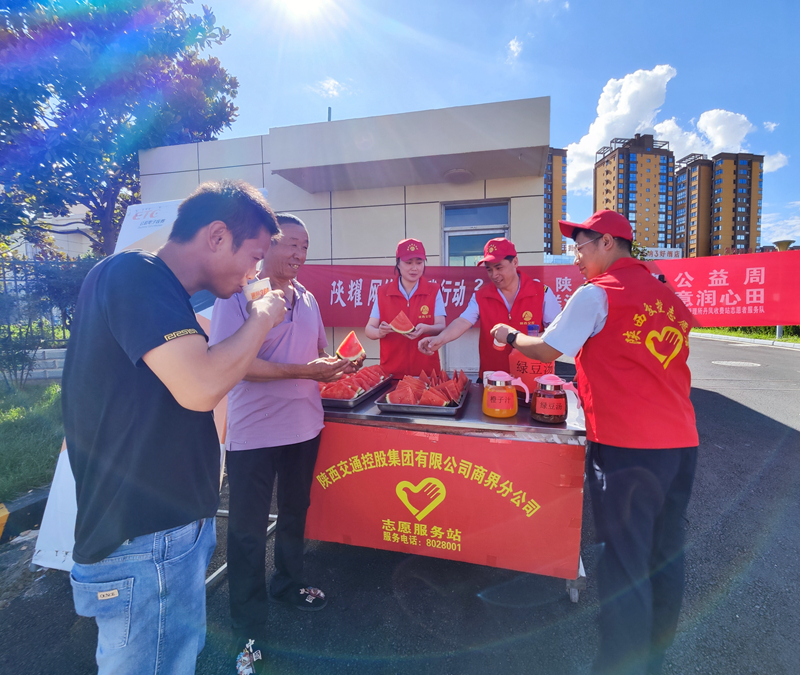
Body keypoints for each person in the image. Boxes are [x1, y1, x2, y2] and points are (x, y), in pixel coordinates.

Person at [62, 180, 287, 675]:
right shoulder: (136, 274)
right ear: (217, 235)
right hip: (146, 538)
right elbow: (200, 386)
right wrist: (261, 319)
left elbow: (194, 376)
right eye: (254, 257)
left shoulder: (156, 288)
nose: (255, 272)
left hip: (158, 534)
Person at [490, 210, 698, 675]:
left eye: (580, 247)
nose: (575, 258)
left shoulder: (598, 293)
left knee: (624, 562)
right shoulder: (667, 295)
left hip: (628, 447)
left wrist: (510, 335)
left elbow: (547, 348)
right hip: (681, 444)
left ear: (606, 243)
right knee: (664, 555)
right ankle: (654, 659)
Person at [209, 213, 355, 673]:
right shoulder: (238, 295)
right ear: (267, 245)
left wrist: (339, 363)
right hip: (254, 433)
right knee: (247, 532)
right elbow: (234, 363)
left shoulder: (308, 298)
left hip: (305, 426)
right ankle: (248, 629)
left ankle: (288, 585)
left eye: (305, 247)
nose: (299, 254)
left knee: (295, 513)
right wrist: (304, 371)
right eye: (291, 244)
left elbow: (316, 354)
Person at [418, 237, 560, 377]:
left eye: (499, 268)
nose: (494, 275)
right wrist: (440, 339)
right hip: (493, 379)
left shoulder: (542, 293)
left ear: (515, 262)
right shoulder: (481, 296)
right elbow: (462, 322)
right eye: (489, 269)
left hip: (533, 377)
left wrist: (527, 340)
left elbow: (557, 332)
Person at [364, 238, 446, 377]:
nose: (414, 268)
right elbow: (369, 329)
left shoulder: (434, 290)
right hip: (391, 372)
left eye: (419, 262)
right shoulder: (383, 292)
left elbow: (441, 326)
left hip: (426, 372)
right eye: (408, 262)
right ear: (398, 263)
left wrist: (425, 328)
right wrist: (379, 332)